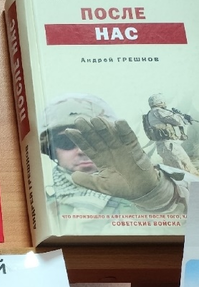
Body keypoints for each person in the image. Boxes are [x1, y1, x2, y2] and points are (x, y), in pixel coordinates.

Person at [40, 94, 190, 227]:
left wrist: (157, 195)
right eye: (65, 141)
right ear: (50, 149)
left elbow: (192, 231)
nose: (82, 150)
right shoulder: (39, 204)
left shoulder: (158, 181)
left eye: (92, 140)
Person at [142, 94, 198, 175]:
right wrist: (182, 117)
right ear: (160, 102)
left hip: (162, 147)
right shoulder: (158, 111)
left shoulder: (149, 114)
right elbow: (176, 120)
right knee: (187, 170)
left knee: (175, 173)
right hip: (170, 146)